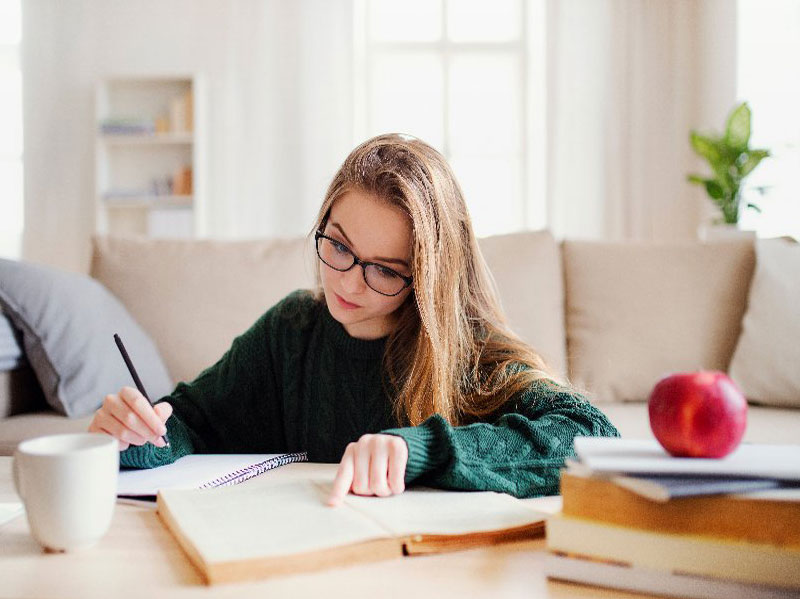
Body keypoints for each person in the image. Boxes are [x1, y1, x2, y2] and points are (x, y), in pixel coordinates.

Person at [89, 133, 619, 506]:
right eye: (338, 245)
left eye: (385, 271)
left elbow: (593, 437)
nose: (346, 282)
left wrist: (422, 450)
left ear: (427, 279)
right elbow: (191, 422)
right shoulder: (290, 331)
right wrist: (136, 433)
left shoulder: (469, 353)